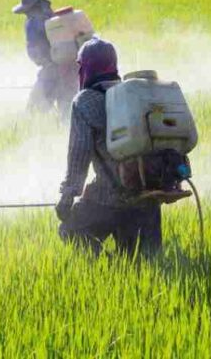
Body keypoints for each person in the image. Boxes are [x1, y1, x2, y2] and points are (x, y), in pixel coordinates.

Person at [56, 38, 162, 258]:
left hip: (109, 197)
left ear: (86, 68)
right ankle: (118, 271)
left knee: (70, 230)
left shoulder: (85, 101)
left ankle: (109, 266)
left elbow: (78, 156)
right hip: (149, 197)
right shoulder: (133, 95)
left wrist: (67, 196)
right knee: (145, 265)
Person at [12, 0, 78, 116]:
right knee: (67, 113)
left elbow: (36, 51)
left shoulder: (32, 23)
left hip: (51, 71)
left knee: (33, 112)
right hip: (72, 69)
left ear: (30, 7)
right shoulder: (53, 17)